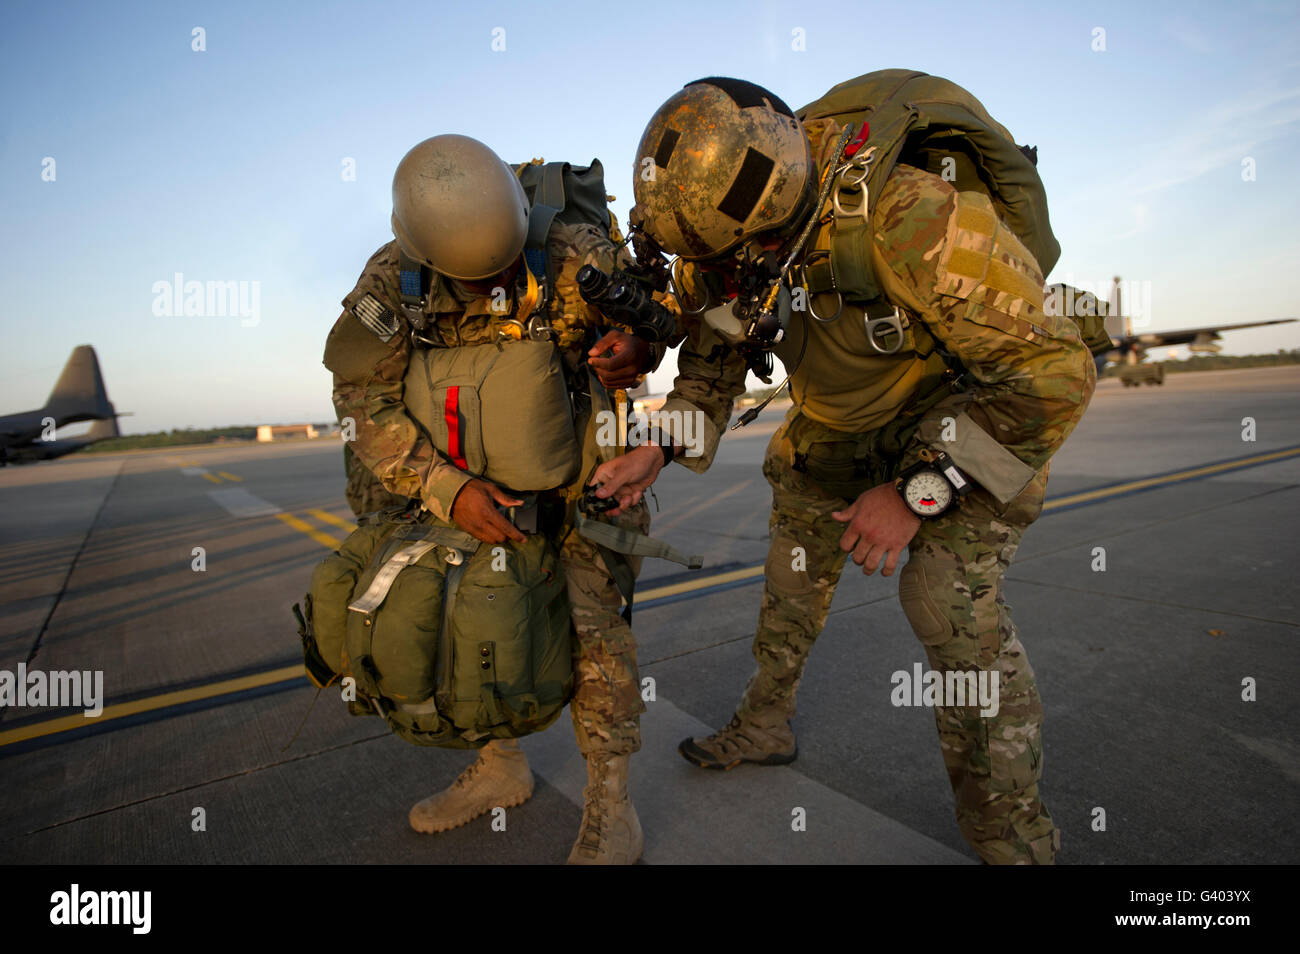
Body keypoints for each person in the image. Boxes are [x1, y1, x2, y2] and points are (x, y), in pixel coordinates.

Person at [589, 77, 1096, 864]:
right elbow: (713, 366)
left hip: (960, 419)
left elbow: (1055, 375)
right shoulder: (717, 245)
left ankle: (1015, 845)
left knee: (947, 610)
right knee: (791, 585)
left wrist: (917, 493)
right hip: (832, 424)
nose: (728, 274)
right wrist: (659, 444)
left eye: (743, 256)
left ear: (779, 209)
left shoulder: (910, 218)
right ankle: (764, 723)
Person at [323, 133, 672, 864]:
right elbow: (361, 400)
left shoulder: (576, 255)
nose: (496, 286)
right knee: (463, 618)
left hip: (575, 477)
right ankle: (501, 765)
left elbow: (655, 327)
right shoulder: (391, 280)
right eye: (475, 279)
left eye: (507, 269)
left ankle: (613, 807)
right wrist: (447, 491)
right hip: (459, 485)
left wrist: (637, 350)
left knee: (595, 638)